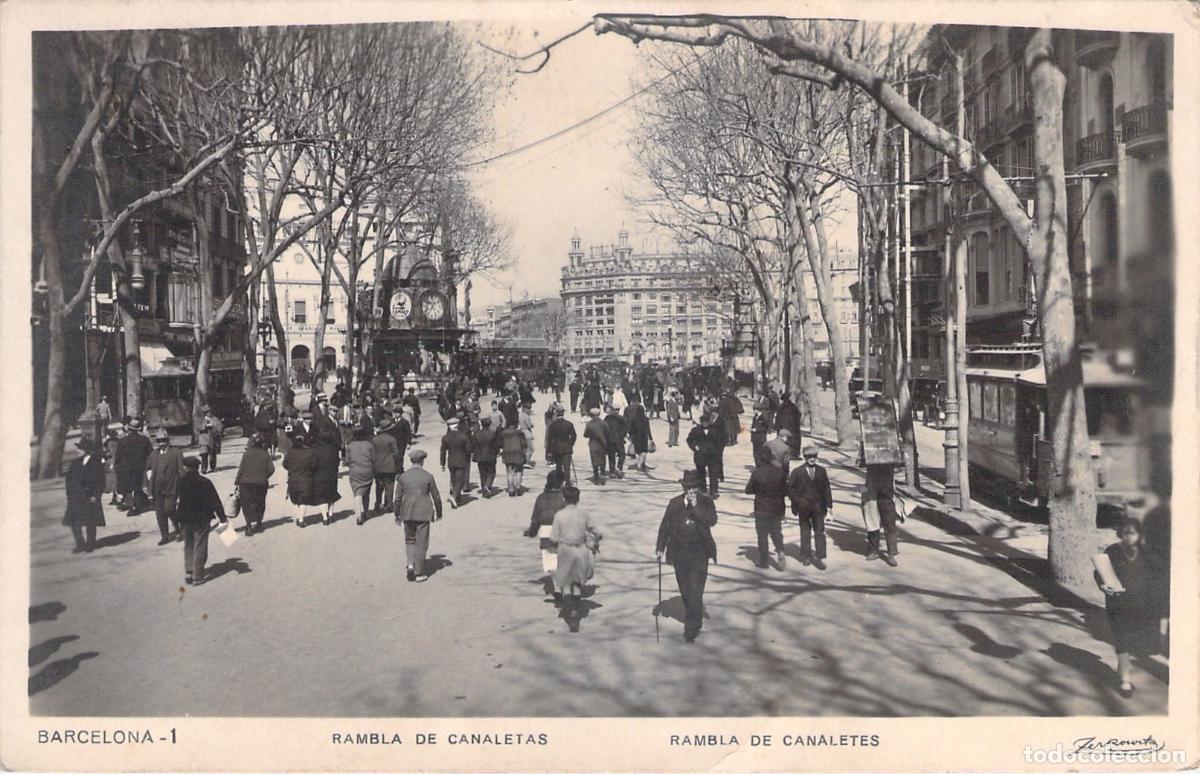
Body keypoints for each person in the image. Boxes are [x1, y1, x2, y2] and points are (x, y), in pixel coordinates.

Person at [1096, 518, 1158, 697]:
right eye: (1125, 533)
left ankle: (1122, 668)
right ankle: (1125, 679)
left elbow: (1155, 577)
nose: (1129, 537)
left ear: (1139, 535)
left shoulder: (1146, 553)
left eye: (1133, 533)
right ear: (1120, 534)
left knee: (1130, 639)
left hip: (1139, 603)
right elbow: (1099, 572)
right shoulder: (1112, 551)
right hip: (1117, 602)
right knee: (1122, 637)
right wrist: (1102, 585)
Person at [655, 470, 718, 643]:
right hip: (679, 552)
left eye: (694, 488)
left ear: (698, 488)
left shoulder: (706, 502)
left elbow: (711, 520)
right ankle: (694, 613)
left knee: (696, 590)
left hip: (699, 552)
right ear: (683, 487)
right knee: (685, 590)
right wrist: (660, 547)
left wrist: (696, 506)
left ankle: (691, 627)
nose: (691, 491)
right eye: (688, 488)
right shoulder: (674, 503)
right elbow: (665, 526)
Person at [549, 484, 601, 619]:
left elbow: (554, 536)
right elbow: (595, 530)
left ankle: (567, 603)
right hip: (580, 549)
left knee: (566, 581)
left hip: (565, 549)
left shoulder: (559, 515)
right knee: (577, 580)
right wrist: (596, 538)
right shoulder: (584, 514)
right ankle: (576, 604)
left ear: (564, 499)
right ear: (578, 499)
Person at [176, 457, 228, 586]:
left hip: (186, 518)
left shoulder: (181, 482)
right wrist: (222, 517)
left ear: (185, 467)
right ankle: (197, 576)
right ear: (198, 467)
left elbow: (176, 501)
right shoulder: (205, 482)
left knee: (189, 544)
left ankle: (189, 570)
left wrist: (177, 518)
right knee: (200, 545)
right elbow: (215, 501)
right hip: (202, 518)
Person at [394, 449, 443, 582]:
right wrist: (439, 512)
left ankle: (410, 564)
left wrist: (397, 514)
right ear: (422, 461)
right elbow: (436, 496)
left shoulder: (403, 477)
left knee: (409, 540)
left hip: (407, 512)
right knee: (421, 543)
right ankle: (418, 572)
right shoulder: (428, 476)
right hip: (423, 512)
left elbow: (397, 498)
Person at [788, 445, 833, 570]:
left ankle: (820, 557)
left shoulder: (821, 471)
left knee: (819, 532)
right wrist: (797, 501)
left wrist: (829, 507)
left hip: (818, 507)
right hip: (803, 507)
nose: (812, 459)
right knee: (805, 532)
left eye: (815, 456)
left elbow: (826, 489)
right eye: (809, 457)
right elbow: (791, 489)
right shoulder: (797, 472)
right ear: (804, 457)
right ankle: (806, 555)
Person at [524, 469, 567, 591]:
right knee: (562, 559)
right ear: (560, 483)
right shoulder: (563, 498)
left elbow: (536, 518)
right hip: (560, 532)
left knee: (549, 558)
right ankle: (562, 586)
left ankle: (552, 579)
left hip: (545, 532)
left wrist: (532, 531)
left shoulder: (540, 498)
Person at [746, 447, 788, 569]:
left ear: (760, 459)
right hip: (776, 507)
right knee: (776, 532)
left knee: (762, 535)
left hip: (761, 508)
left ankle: (764, 562)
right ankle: (780, 550)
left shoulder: (757, 473)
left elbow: (748, 490)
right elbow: (785, 490)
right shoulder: (779, 472)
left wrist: (758, 490)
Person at [63, 437, 106, 554]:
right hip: (76, 496)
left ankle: (90, 544)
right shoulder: (75, 462)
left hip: (89, 496)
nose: (78, 451)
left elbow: (100, 481)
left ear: (86, 450)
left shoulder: (96, 463)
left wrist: (96, 495)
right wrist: (70, 494)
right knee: (74, 522)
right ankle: (80, 543)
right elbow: (69, 479)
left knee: (90, 522)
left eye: (80, 449)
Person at [146, 429, 184, 544]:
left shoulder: (176, 452)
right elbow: (148, 470)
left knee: (170, 509)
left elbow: (181, 470)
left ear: (168, 441)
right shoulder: (154, 454)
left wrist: (184, 486)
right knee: (160, 513)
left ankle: (178, 528)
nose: (161, 443)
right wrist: (147, 486)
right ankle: (165, 536)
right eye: (159, 441)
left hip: (172, 487)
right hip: (157, 488)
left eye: (163, 441)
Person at [235, 433, 274, 536]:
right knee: (260, 502)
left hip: (245, 483)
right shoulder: (266, 454)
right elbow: (271, 469)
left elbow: (241, 469)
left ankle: (248, 526)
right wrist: (265, 476)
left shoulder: (247, 453)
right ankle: (259, 523)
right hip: (261, 483)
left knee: (246, 504)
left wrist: (237, 481)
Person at [862, 462, 901, 566]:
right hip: (872, 485)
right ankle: (873, 550)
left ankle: (891, 553)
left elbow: (899, 462)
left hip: (886, 488)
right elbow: (861, 461)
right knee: (872, 518)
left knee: (889, 521)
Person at [115, 419, 152, 512]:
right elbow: (150, 454)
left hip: (126, 468)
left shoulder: (122, 441)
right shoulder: (145, 440)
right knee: (138, 486)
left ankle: (130, 505)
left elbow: (118, 456)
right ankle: (139, 504)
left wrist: (118, 467)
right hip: (140, 467)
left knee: (127, 487)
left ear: (129, 429)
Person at [686, 412, 725, 499]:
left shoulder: (715, 430)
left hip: (713, 456)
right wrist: (694, 447)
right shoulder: (696, 430)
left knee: (713, 474)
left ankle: (714, 491)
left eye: (707, 422)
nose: (705, 423)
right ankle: (702, 490)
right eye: (703, 422)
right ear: (701, 422)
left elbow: (722, 441)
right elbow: (689, 440)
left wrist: (718, 450)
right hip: (700, 455)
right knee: (701, 474)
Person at [283, 432, 317, 528]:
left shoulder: (290, 452)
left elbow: (285, 464)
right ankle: (301, 519)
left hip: (293, 478)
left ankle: (298, 516)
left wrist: (291, 469)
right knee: (303, 500)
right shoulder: (310, 452)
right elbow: (314, 465)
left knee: (295, 500)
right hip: (306, 479)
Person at [345, 427, 376, 526]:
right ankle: (366, 512)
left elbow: (346, 460)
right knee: (366, 492)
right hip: (368, 471)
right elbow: (374, 458)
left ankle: (359, 516)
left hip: (355, 472)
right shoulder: (369, 445)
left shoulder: (350, 446)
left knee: (358, 493)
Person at [439, 417, 472, 507]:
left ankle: (457, 497)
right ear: (457, 425)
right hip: (461, 460)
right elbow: (469, 449)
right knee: (460, 480)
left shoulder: (445, 438)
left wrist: (442, 463)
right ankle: (453, 497)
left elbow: (442, 451)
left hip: (451, 461)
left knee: (453, 479)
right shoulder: (463, 436)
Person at [372, 418, 400, 514]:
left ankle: (378, 503)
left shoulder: (374, 439)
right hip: (389, 466)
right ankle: (388, 505)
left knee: (379, 486)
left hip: (377, 466)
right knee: (389, 486)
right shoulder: (392, 439)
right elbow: (396, 453)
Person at [546, 406, 577, 483]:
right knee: (567, 467)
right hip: (567, 447)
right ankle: (567, 481)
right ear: (563, 413)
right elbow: (574, 435)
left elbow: (550, 438)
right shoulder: (569, 424)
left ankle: (559, 481)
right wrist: (571, 444)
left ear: (556, 413)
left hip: (556, 447)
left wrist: (549, 450)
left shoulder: (553, 425)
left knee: (558, 466)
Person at [498, 419, 528, 497]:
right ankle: (518, 487)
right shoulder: (520, 433)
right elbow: (524, 444)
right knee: (519, 471)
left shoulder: (503, 433)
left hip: (507, 453)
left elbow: (500, 444)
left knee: (509, 472)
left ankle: (511, 490)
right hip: (518, 453)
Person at [471, 416, 500, 497]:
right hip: (491, 456)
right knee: (491, 472)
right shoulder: (492, 434)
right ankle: (487, 485)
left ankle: (484, 490)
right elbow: (496, 445)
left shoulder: (477, 434)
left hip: (480, 457)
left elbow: (473, 445)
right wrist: (497, 452)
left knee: (482, 473)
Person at [624, 397, 654, 473]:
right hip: (644, 437)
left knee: (637, 451)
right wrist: (651, 438)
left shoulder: (633, 419)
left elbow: (631, 429)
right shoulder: (645, 419)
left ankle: (638, 463)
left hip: (636, 437)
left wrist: (630, 435)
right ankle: (642, 463)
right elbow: (648, 429)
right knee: (644, 451)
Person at [582, 407, 609, 485]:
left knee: (595, 462)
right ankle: (603, 476)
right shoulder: (604, 423)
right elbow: (608, 433)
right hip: (602, 444)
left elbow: (585, 434)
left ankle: (596, 478)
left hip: (593, 444)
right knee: (602, 460)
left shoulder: (589, 424)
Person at [603, 404, 628, 479]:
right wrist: (622, 435)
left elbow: (605, 429)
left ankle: (612, 471)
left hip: (610, 440)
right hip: (618, 439)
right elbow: (625, 428)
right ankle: (619, 468)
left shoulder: (606, 419)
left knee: (611, 456)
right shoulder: (621, 418)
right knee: (622, 454)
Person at [203, 408, 223, 472]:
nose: (209, 413)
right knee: (204, 454)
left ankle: (213, 467)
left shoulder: (215, 419)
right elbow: (197, 428)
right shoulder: (202, 419)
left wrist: (214, 429)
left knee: (213, 453)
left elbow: (220, 427)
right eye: (207, 412)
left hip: (213, 438)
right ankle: (204, 467)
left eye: (210, 411)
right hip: (204, 439)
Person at [519, 401, 536, 468]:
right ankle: (527, 461)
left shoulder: (520, 415)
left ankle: (524, 460)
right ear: (525, 409)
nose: (529, 410)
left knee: (524, 448)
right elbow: (529, 425)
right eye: (529, 409)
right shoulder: (526, 416)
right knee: (531, 448)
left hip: (521, 431)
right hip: (527, 432)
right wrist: (532, 425)